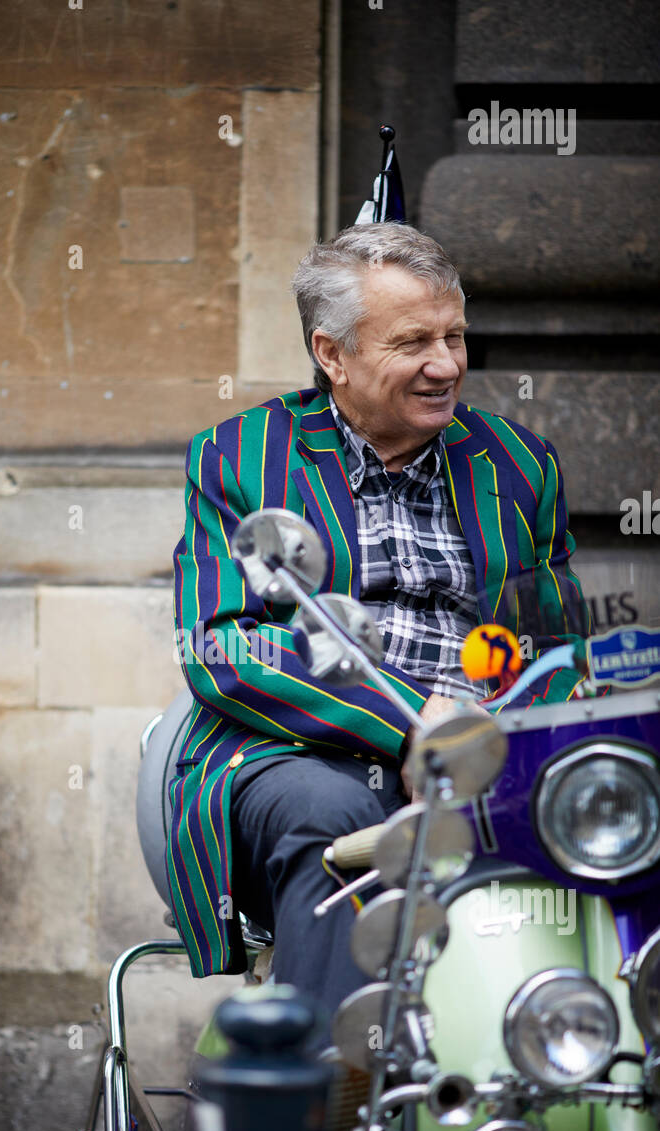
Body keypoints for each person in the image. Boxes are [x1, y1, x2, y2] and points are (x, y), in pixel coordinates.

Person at [167, 222, 588, 1029]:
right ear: (333, 355)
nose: (448, 365)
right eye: (414, 343)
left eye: (455, 335)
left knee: (616, 808)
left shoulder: (520, 463)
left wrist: (499, 739)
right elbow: (222, 647)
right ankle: (328, 1118)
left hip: (488, 749)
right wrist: (407, 730)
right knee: (335, 824)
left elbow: (559, 648)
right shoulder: (241, 456)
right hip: (297, 756)